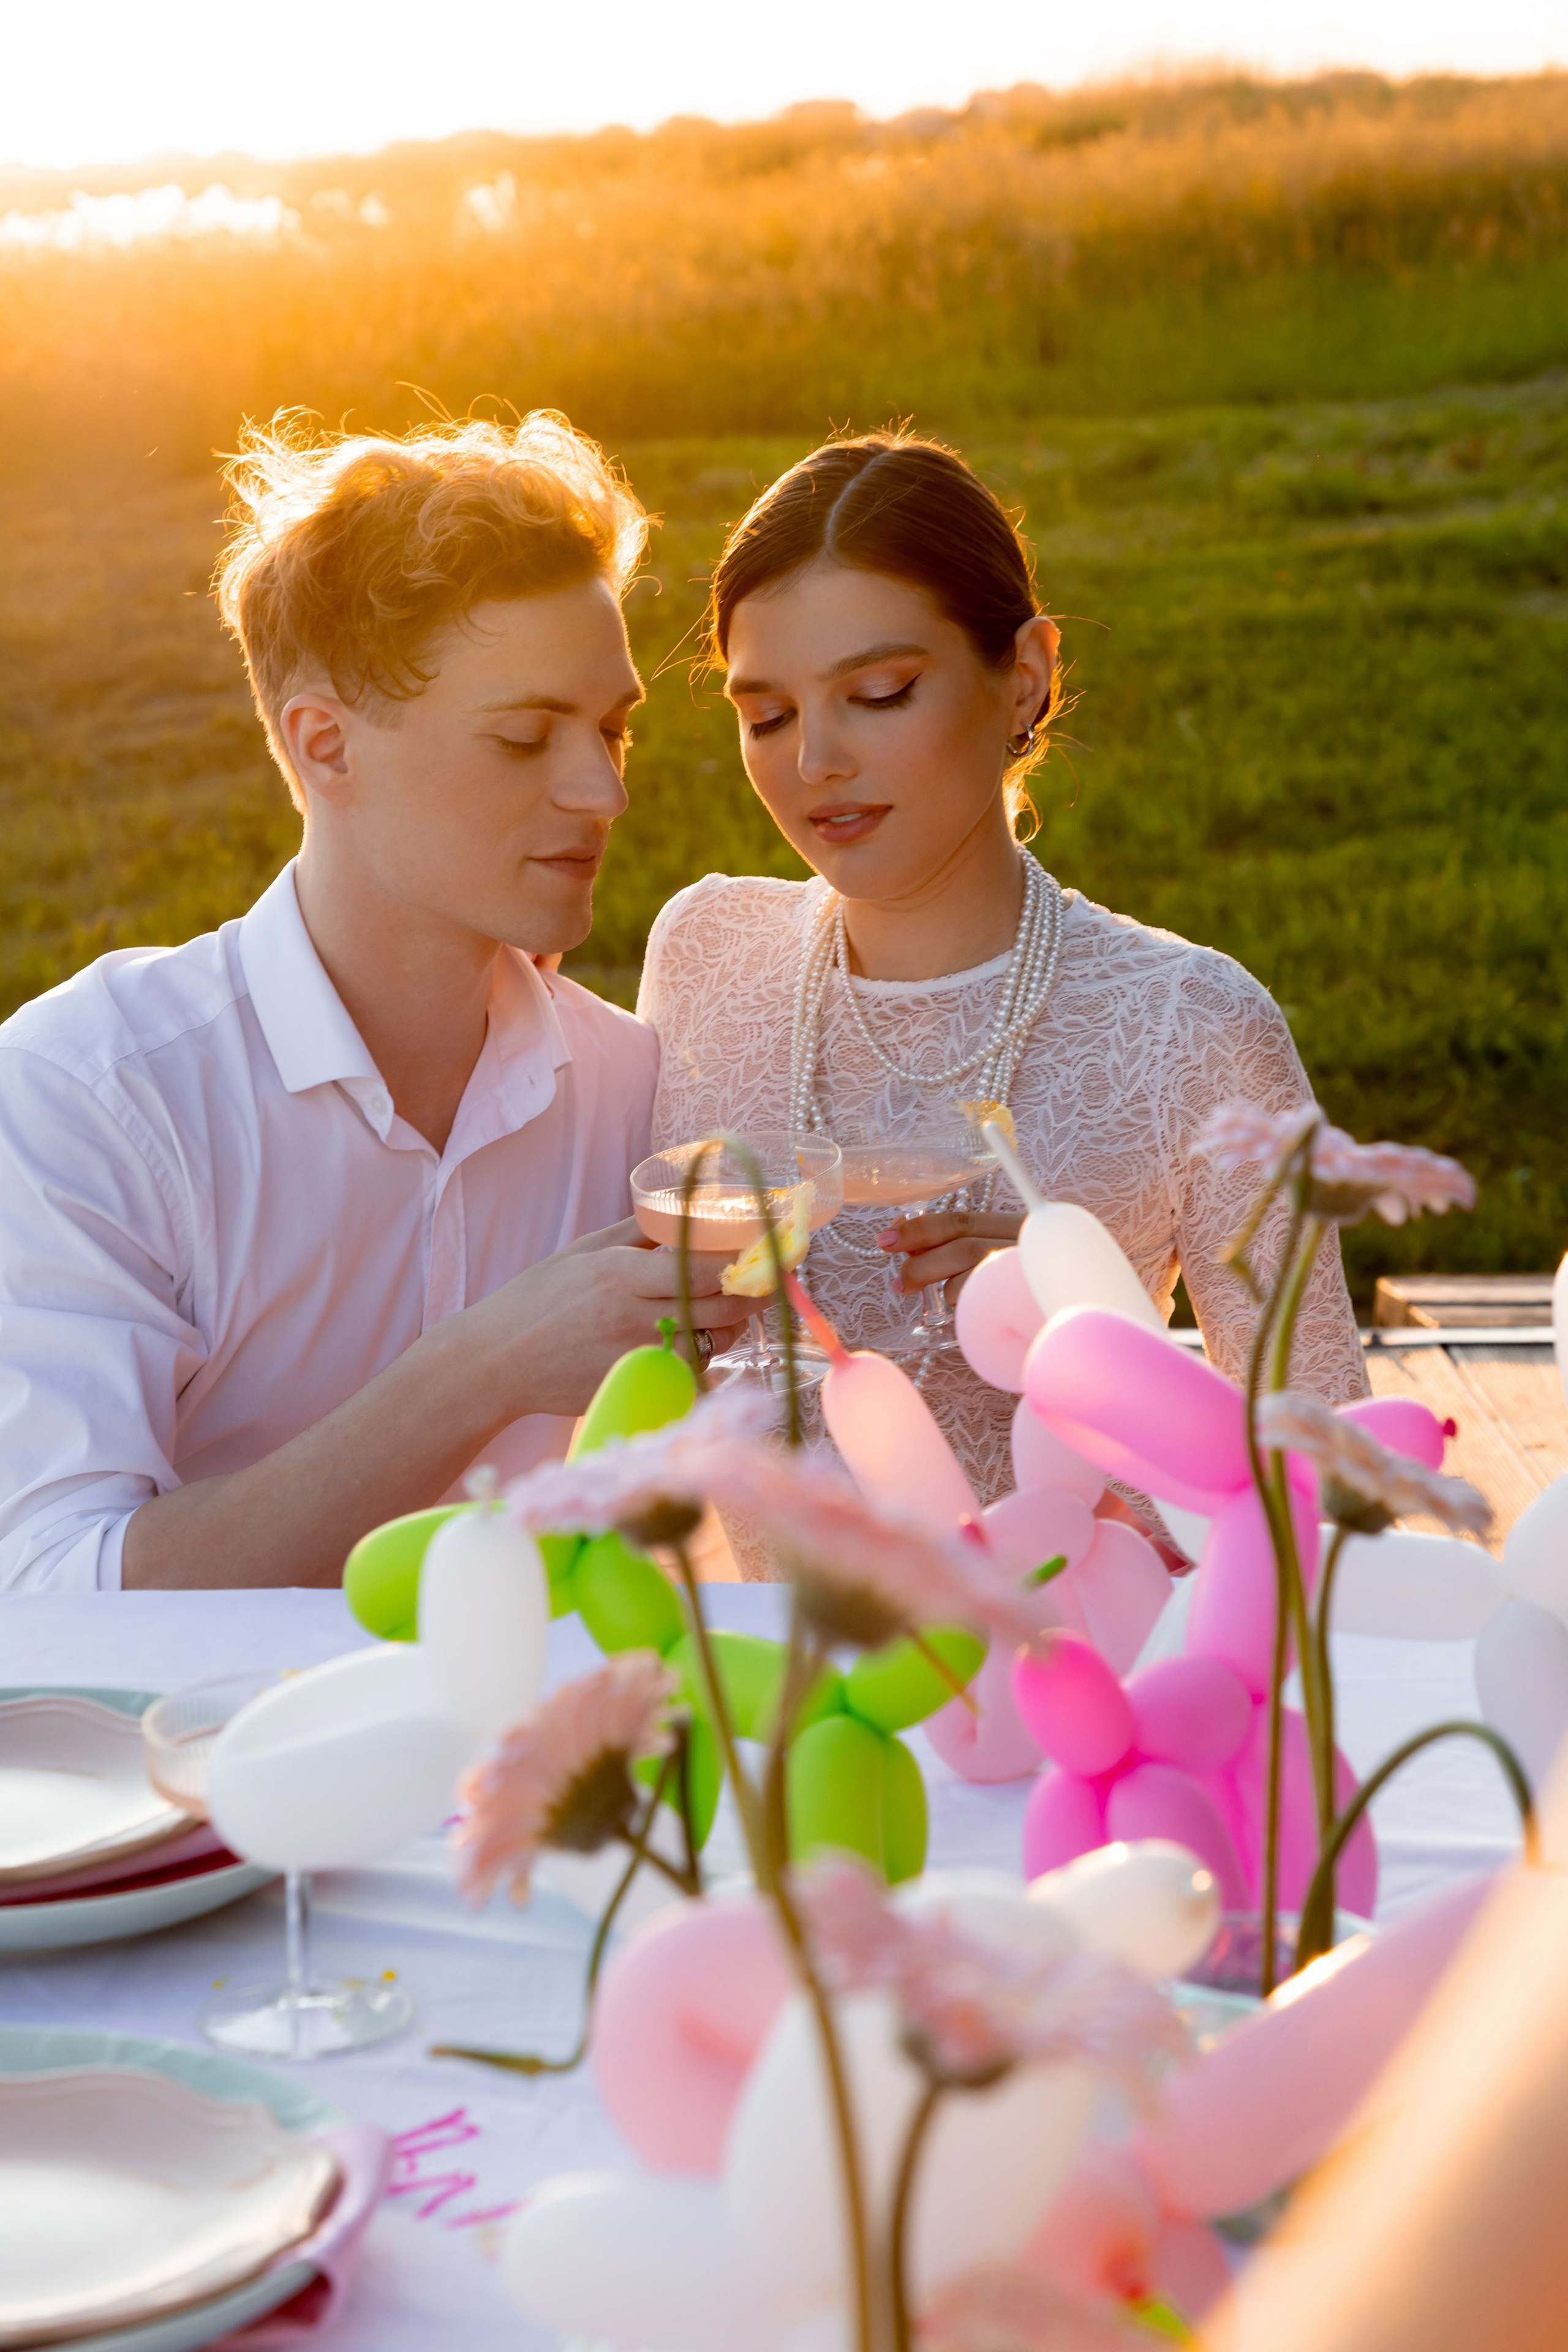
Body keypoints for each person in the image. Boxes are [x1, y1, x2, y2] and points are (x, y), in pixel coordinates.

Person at [0, 413, 752, 1593]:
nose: (603, 791)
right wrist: (483, 1368)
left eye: (612, 729)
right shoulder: (91, 1095)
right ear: (324, 747)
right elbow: (52, 1591)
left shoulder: (633, 1089)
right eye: (523, 738)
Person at [638, 431, 1365, 1532]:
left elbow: (1338, 1508)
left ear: (1025, 675)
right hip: (765, 1686)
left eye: (878, 692)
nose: (814, 761)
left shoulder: (1192, 1028)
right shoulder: (705, 952)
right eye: (766, 715)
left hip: (1082, 1678)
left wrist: (1088, 1336)